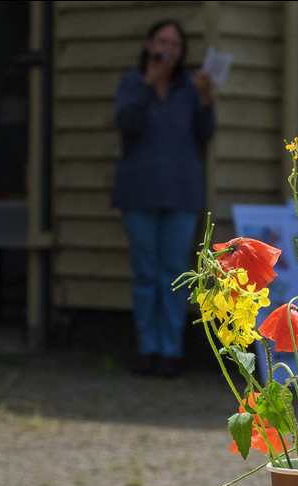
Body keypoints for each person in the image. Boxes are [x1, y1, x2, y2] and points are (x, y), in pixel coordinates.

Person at [112, 19, 215, 378]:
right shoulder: (132, 82)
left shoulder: (189, 87)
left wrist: (205, 98)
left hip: (180, 193)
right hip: (138, 193)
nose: (167, 48)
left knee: (174, 274)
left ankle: (171, 351)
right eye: (161, 41)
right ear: (148, 44)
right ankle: (146, 348)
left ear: (182, 51)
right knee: (145, 274)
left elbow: (205, 133)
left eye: (174, 43)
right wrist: (149, 82)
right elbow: (128, 123)